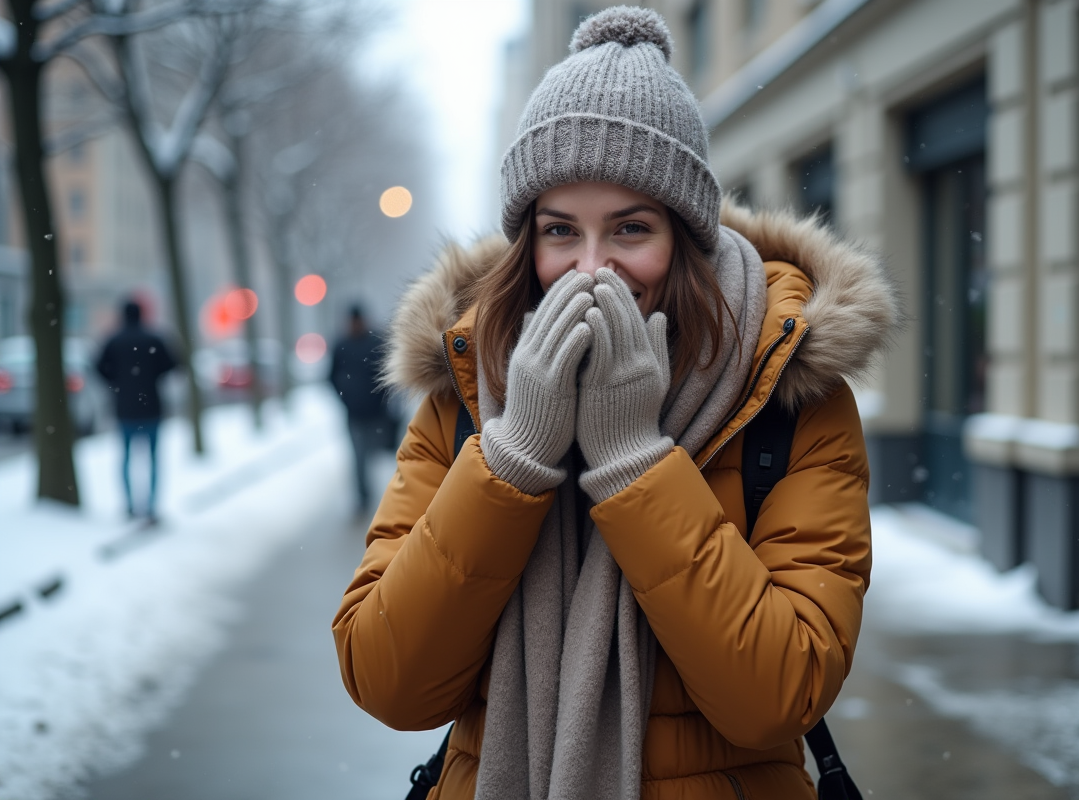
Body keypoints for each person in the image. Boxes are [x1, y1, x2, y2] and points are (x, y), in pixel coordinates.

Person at [333, 8, 897, 799]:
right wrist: (513, 457)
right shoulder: (465, 388)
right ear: (528, 241)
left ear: (685, 237)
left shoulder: (786, 391)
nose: (591, 270)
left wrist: (636, 465)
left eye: (630, 228)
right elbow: (388, 679)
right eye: (561, 231)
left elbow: (777, 696)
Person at [96, 298, 177, 523]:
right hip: (151, 407)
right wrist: (152, 378)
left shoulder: (113, 341)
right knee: (152, 458)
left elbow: (99, 368)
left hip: (125, 408)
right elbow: (172, 365)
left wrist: (117, 384)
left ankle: (130, 506)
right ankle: (151, 507)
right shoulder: (154, 339)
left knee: (126, 458)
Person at [329, 305, 391, 515]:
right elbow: (331, 376)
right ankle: (363, 497)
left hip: (376, 413)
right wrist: (344, 398)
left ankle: (381, 494)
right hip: (354, 414)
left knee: (375, 453)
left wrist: (384, 401)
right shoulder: (341, 345)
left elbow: (388, 374)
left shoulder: (376, 342)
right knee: (358, 457)